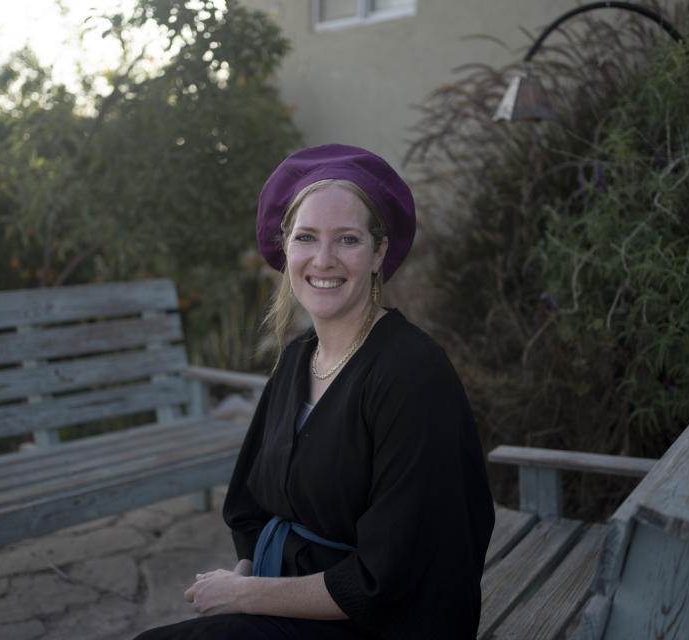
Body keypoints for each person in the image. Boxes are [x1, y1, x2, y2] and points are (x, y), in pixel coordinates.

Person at [135, 144, 494, 639]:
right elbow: (254, 505)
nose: (323, 260)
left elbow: (384, 579)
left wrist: (243, 595)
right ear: (286, 249)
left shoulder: (412, 376)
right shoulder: (298, 358)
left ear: (379, 253)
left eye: (347, 239)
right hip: (295, 601)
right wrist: (248, 572)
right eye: (306, 237)